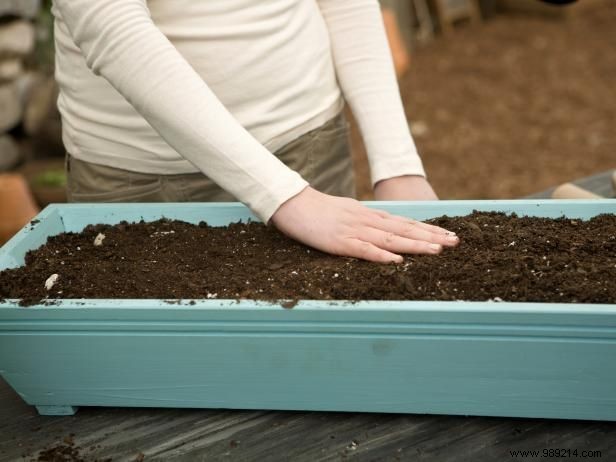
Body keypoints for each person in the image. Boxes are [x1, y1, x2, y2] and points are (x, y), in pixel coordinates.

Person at [52, 0, 460, 263]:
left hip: (308, 149)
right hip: (141, 177)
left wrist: (397, 164)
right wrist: (283, 196)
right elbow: (113, 27)